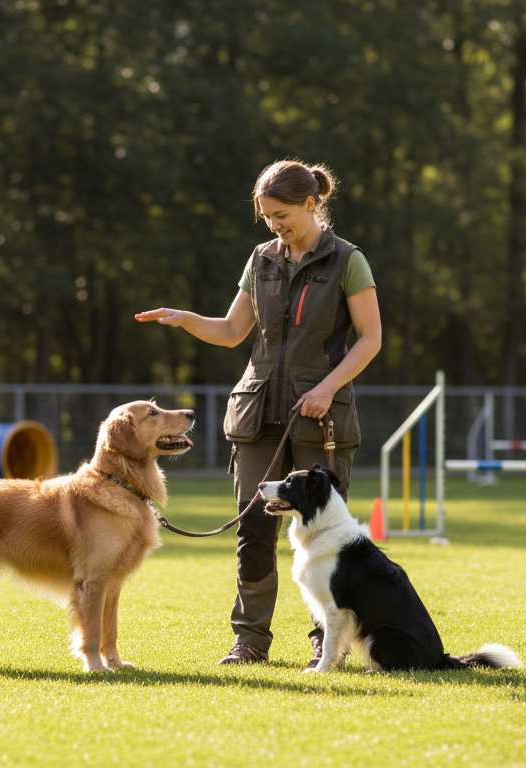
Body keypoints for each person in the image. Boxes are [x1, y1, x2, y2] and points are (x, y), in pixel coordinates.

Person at [135, 159, 382, 668]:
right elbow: (230, 331)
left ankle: (326, 639)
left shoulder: (348, 260)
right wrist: (187, 320)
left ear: (312, 204)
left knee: (327, 533)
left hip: (321, 417)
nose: (275, 225)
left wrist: (327, 388)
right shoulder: (261, 259)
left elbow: (371, 340)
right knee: (253, 530)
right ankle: (249, 641)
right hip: (256, 416)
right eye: (267, 216)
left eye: (282, 214)